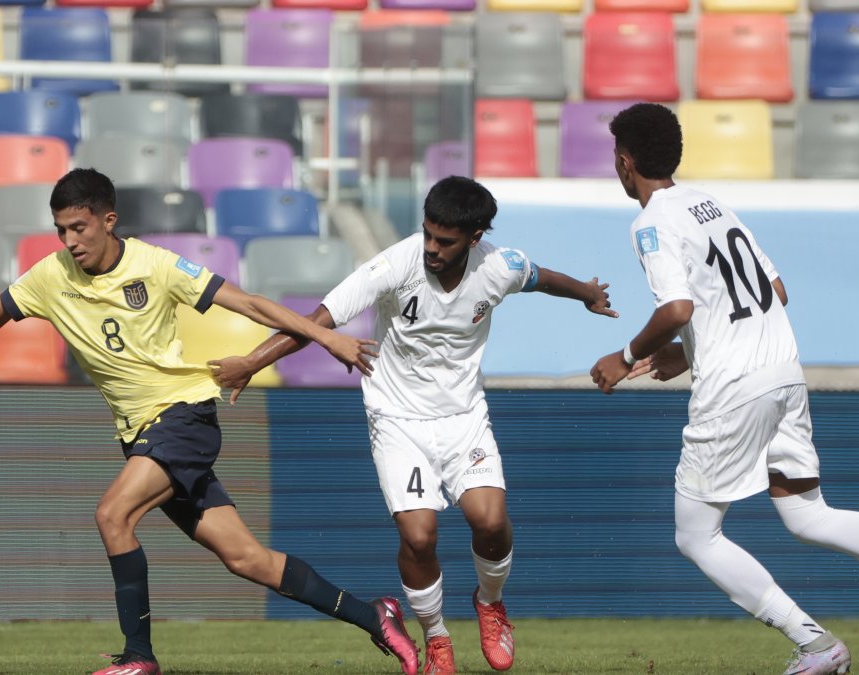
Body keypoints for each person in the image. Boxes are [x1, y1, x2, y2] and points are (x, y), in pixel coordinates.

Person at [0, 168, 420, 675]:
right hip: (142, 434)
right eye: (61, 230)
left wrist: (328, 337)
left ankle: (139, 657)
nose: (69, 241)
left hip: (182, 418)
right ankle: (375, 616)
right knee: (247, 559)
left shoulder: (155, 266)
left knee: (113, 515)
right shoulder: (51, 276)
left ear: (108, 220)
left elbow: (249, 304)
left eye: (79, 228)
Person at [590, 103, 859, 674]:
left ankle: (815, 643)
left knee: (696, 536)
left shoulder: (650, 223)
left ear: (625, 162)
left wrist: (624, 356)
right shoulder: (712, 207)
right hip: (783, 373)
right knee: (807, 514)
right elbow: (774, 289)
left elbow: (676, 308)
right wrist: (688, 351)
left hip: (734, 388)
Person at [213, 175, 619, 675]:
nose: (431, 247)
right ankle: (436, 635)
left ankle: (490, 602)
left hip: (463, 416)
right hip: (397, 418)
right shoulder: (394, 265)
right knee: (420, 535)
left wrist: (587, 294)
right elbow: (316, 320)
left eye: (444, 240)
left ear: (475, 237)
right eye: (427, 233)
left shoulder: (500, 266)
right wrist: (252, 362)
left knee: (491, 521)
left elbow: (541, 278)